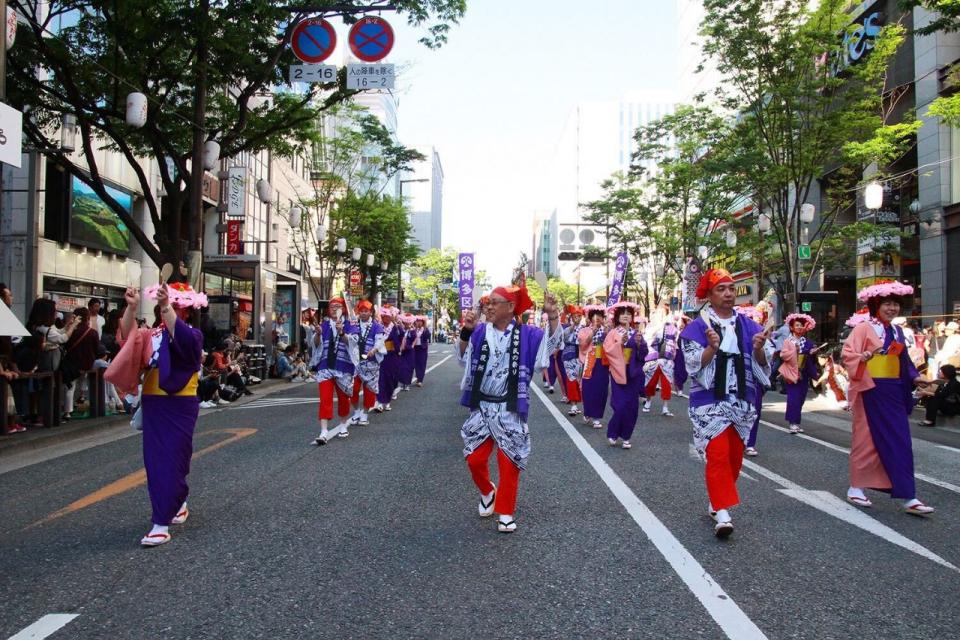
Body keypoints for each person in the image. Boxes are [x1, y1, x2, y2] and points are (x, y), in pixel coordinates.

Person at [106, 282, 206, 547]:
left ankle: (177, 500)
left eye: (175, 306)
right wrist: (131, 307)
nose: (171, 309)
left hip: (181, 404)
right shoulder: (151, 335)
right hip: (154, 404)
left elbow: (183, 341)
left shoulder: (193, 335)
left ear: (185, 309)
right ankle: (161, 522)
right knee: (157, 461)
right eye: (166, 304)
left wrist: (165, 308)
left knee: (176, 458)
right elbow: (128, 338)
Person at [458, 284, 561, 534]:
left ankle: (506, 512)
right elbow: (463, 357)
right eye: (488, 303)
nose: (488, 306)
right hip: (482, 406)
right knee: (474, 459)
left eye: (495, 302)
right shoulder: (480, 331)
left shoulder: (529, 334)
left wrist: (553, 315)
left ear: (511, 307)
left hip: (510, 407)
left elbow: (552, 347)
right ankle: (487, 491)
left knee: (509, 462)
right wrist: (466, 332)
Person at [680, 269, 772, 537]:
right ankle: (722, 513)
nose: (729, 293)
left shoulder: (750, 326)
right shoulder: (696, 328)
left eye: (731, 288)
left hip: (742, 400)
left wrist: (758, 349)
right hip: (709, 402)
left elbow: (765, 363)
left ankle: (715, 501)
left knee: (734, 457)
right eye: (721, 289)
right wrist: (710, 347)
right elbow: (693, 365)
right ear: (709, 295)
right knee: (718, 454)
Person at [841, 280, 935, 515]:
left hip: (893, 390)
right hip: (870, 388)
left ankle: (909, 496)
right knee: (866, 440)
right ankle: (856, 487)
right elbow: (847, 354)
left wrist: (915, 378)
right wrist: (861, 357)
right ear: (876, 305)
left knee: (901, 441)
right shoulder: (863, 328)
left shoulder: (897, 331)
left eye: (895, 304)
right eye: (887, 304)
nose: (892, 308)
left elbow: (903, 362)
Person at [309, 297, 359, 444]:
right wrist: (318, 334)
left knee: (344, 398)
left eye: (338, 306)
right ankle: (323, 431)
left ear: (343, 309)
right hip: (325, 366)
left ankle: (343, 424)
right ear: (328, 309)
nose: (334, 309)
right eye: (332, 306)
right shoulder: (323, 325)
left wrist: (342, 332)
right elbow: (316, 345)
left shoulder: (350, 324)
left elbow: (353, 342)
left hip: (343, 366)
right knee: (325, 398)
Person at [604, 301, 649, 449]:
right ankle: (613, 432)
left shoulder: (636, 333)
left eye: (628, 314)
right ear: (617, 316)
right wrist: (619, 344)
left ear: (632, 317)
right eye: (622, 313)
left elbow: (643, 354)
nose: (625, 316)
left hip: (633, 373)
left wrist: (638, 344)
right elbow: (607, 350)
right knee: (620, 405)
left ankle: (626, 436)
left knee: (632, 407)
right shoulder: (613, 332)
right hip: (618, 372)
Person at [777, 312, 819, 434]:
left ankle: (796, 422)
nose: (799, 327)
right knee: (793, 398)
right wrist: (794, 352)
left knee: (801, 398)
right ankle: (792, 423)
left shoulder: (807, 341)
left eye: (801, 325)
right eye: (797, 325)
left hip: (804, 373)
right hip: (792, 373)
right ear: (792, 327)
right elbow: (783, 355)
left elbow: (809, 356)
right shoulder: (788, 341)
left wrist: (811, 352)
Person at [350, 299, 386, 426]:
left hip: (371, 363)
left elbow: (380, 341)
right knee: (352, 389)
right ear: (358, 312)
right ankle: (356, 411)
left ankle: (365, 412)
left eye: (366, 311)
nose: (364, 313)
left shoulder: (377, 326)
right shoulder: (354, 325)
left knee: (369, 389)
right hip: (355, 362)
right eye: (361, 311)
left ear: (371, 312)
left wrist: (374, 349)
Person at [642, 314, 684, 417]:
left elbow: (675, 344)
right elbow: (649, 341)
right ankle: (648, 402)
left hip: (667, 360)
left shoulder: (673, 329)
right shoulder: (652, 328)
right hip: (654, 359)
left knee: (666, 384)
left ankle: (665, 407)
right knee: (650, 383)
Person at [62, 307, 99, 418]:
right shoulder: (93, 333)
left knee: (71, 386)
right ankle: (83, 398)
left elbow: (66, 346)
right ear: (87, 318)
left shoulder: (72, 332)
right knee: (84, 380)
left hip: (72, 363)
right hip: (87, 363)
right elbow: (96, 349)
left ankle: (68, 411)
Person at [578, 305, 609, 430]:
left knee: (601, 389)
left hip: (602, 360)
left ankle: (597, 417)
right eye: (595, 317)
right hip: (589, 360)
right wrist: (593, 332)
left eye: (600, 317)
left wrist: (607, 334)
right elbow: (582, 344)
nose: (598, 319)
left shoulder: (607, 330)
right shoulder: (584, 330)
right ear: (590, 318)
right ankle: (588, 411)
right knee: (588, 388)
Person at [375, 305, 402, 412]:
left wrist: (397, 325)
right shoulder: (377, 326)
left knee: (391, 379)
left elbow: (401, 337)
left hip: (392, 356)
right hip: (380, 356)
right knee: (380, 379)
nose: (385, 318)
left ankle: (387, 401)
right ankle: (380, 402)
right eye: (383, 316)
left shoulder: (395, 327)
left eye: (388, 316)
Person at [560, 305, 584, 416]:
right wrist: (573, 326)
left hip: (581, 356)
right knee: (571, 379)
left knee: (579, 380)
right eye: (575, 316)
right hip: (569, 356)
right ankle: (573, 405)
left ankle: (577, 404)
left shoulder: (585, 328)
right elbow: (563, 337)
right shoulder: (566, 327)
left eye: (579, 316)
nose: (577, 318)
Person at [397, 313, 417, 392]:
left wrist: (412, 345)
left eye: (409, 323)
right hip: (402, 351)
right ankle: (402, 383)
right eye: (406, 323)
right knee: (401, 368)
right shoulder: (401, 330)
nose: (407, 324)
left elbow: (415, 339)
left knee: (409, 368)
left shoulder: (412, 331)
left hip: (409, 351)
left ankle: (407, 384)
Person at [412, 316, 431, 386]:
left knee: (422, 364)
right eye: (417, 321)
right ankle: (418, 377)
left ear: (423, 323)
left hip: (422, 348)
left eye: (420, 321)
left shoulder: (425, 330)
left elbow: (428, 336)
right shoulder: (414, 330)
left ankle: (420, 380)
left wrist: (425, 327)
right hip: (415, 348)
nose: (419, 323)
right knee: (416, 364)